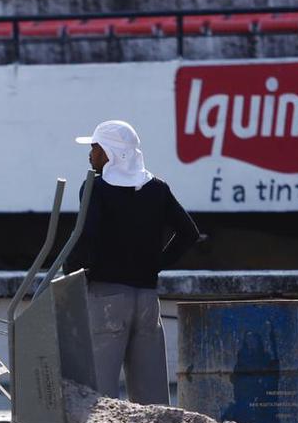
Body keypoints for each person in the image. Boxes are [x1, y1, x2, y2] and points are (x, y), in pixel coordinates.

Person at [65, 120, 199, 405]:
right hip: (147, 298)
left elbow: (86, 236)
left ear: (111, 152)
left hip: (107, 297)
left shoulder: (96, 188)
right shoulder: (157, 188)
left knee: (100, 394)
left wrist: (70, 273)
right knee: (152, 395)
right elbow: (189, 233)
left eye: (95, 148)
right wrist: (155, 263)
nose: (90, 154)